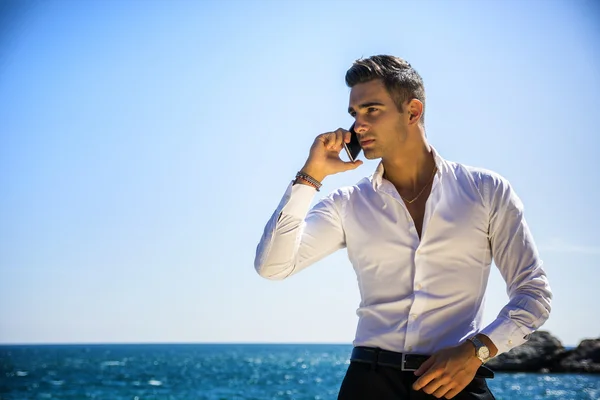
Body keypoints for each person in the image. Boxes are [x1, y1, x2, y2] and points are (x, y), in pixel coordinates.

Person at [253, 55, 552, 399]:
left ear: (412, 111)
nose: (358, 126)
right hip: (369, 383)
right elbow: (272, 267)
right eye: (354, 114)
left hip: (454, 381)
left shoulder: (485, 191)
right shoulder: (349, 203)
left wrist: (476, 352)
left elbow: (534, 294)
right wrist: (311, 176)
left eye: (371, 110)